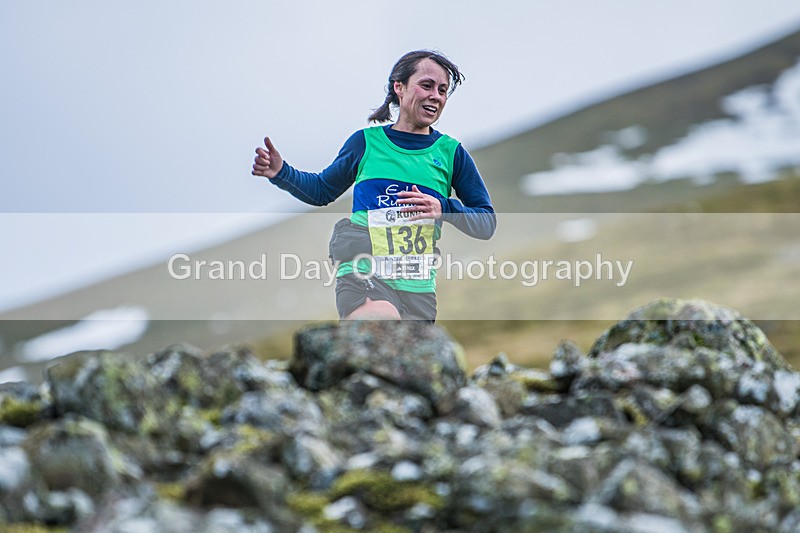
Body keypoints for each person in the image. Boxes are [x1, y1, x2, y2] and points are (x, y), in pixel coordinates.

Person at [252, 50, 495, 322]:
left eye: (442, 90)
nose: (436, 96)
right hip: (363, 271)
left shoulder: (451, 153)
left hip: (419, 288)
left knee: (406, 362)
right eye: (426, 85)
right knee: (382, 330)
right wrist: (280, 172)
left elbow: (486, 222)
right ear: (399, 87)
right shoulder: (366, 143)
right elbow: (321, 190)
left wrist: (444, 208)